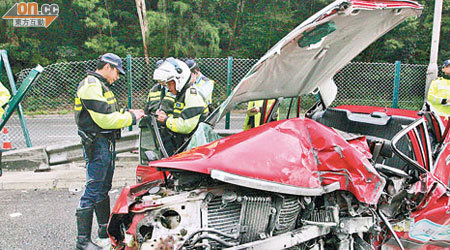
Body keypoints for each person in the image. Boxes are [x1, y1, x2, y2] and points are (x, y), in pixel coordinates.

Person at [74, 53, 144, 250]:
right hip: (97, 144)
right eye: (117, 72)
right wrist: (131, 118)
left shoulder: (100, 85)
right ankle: (82, 242)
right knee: (93, 189)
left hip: (105, 143)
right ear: (107, 67)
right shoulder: (91, 85)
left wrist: (126, 113)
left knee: (103, 186)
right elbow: (104, 120)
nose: (118, 76)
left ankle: (104, 230)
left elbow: (109, 114)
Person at [154, 58, 208, 151]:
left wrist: (166, 120)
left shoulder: (192, 95)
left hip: (195, 148)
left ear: (179, 79)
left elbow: (185, 126)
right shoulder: (182, 93)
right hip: (189, 146)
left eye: (170, 84)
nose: (168, 87)